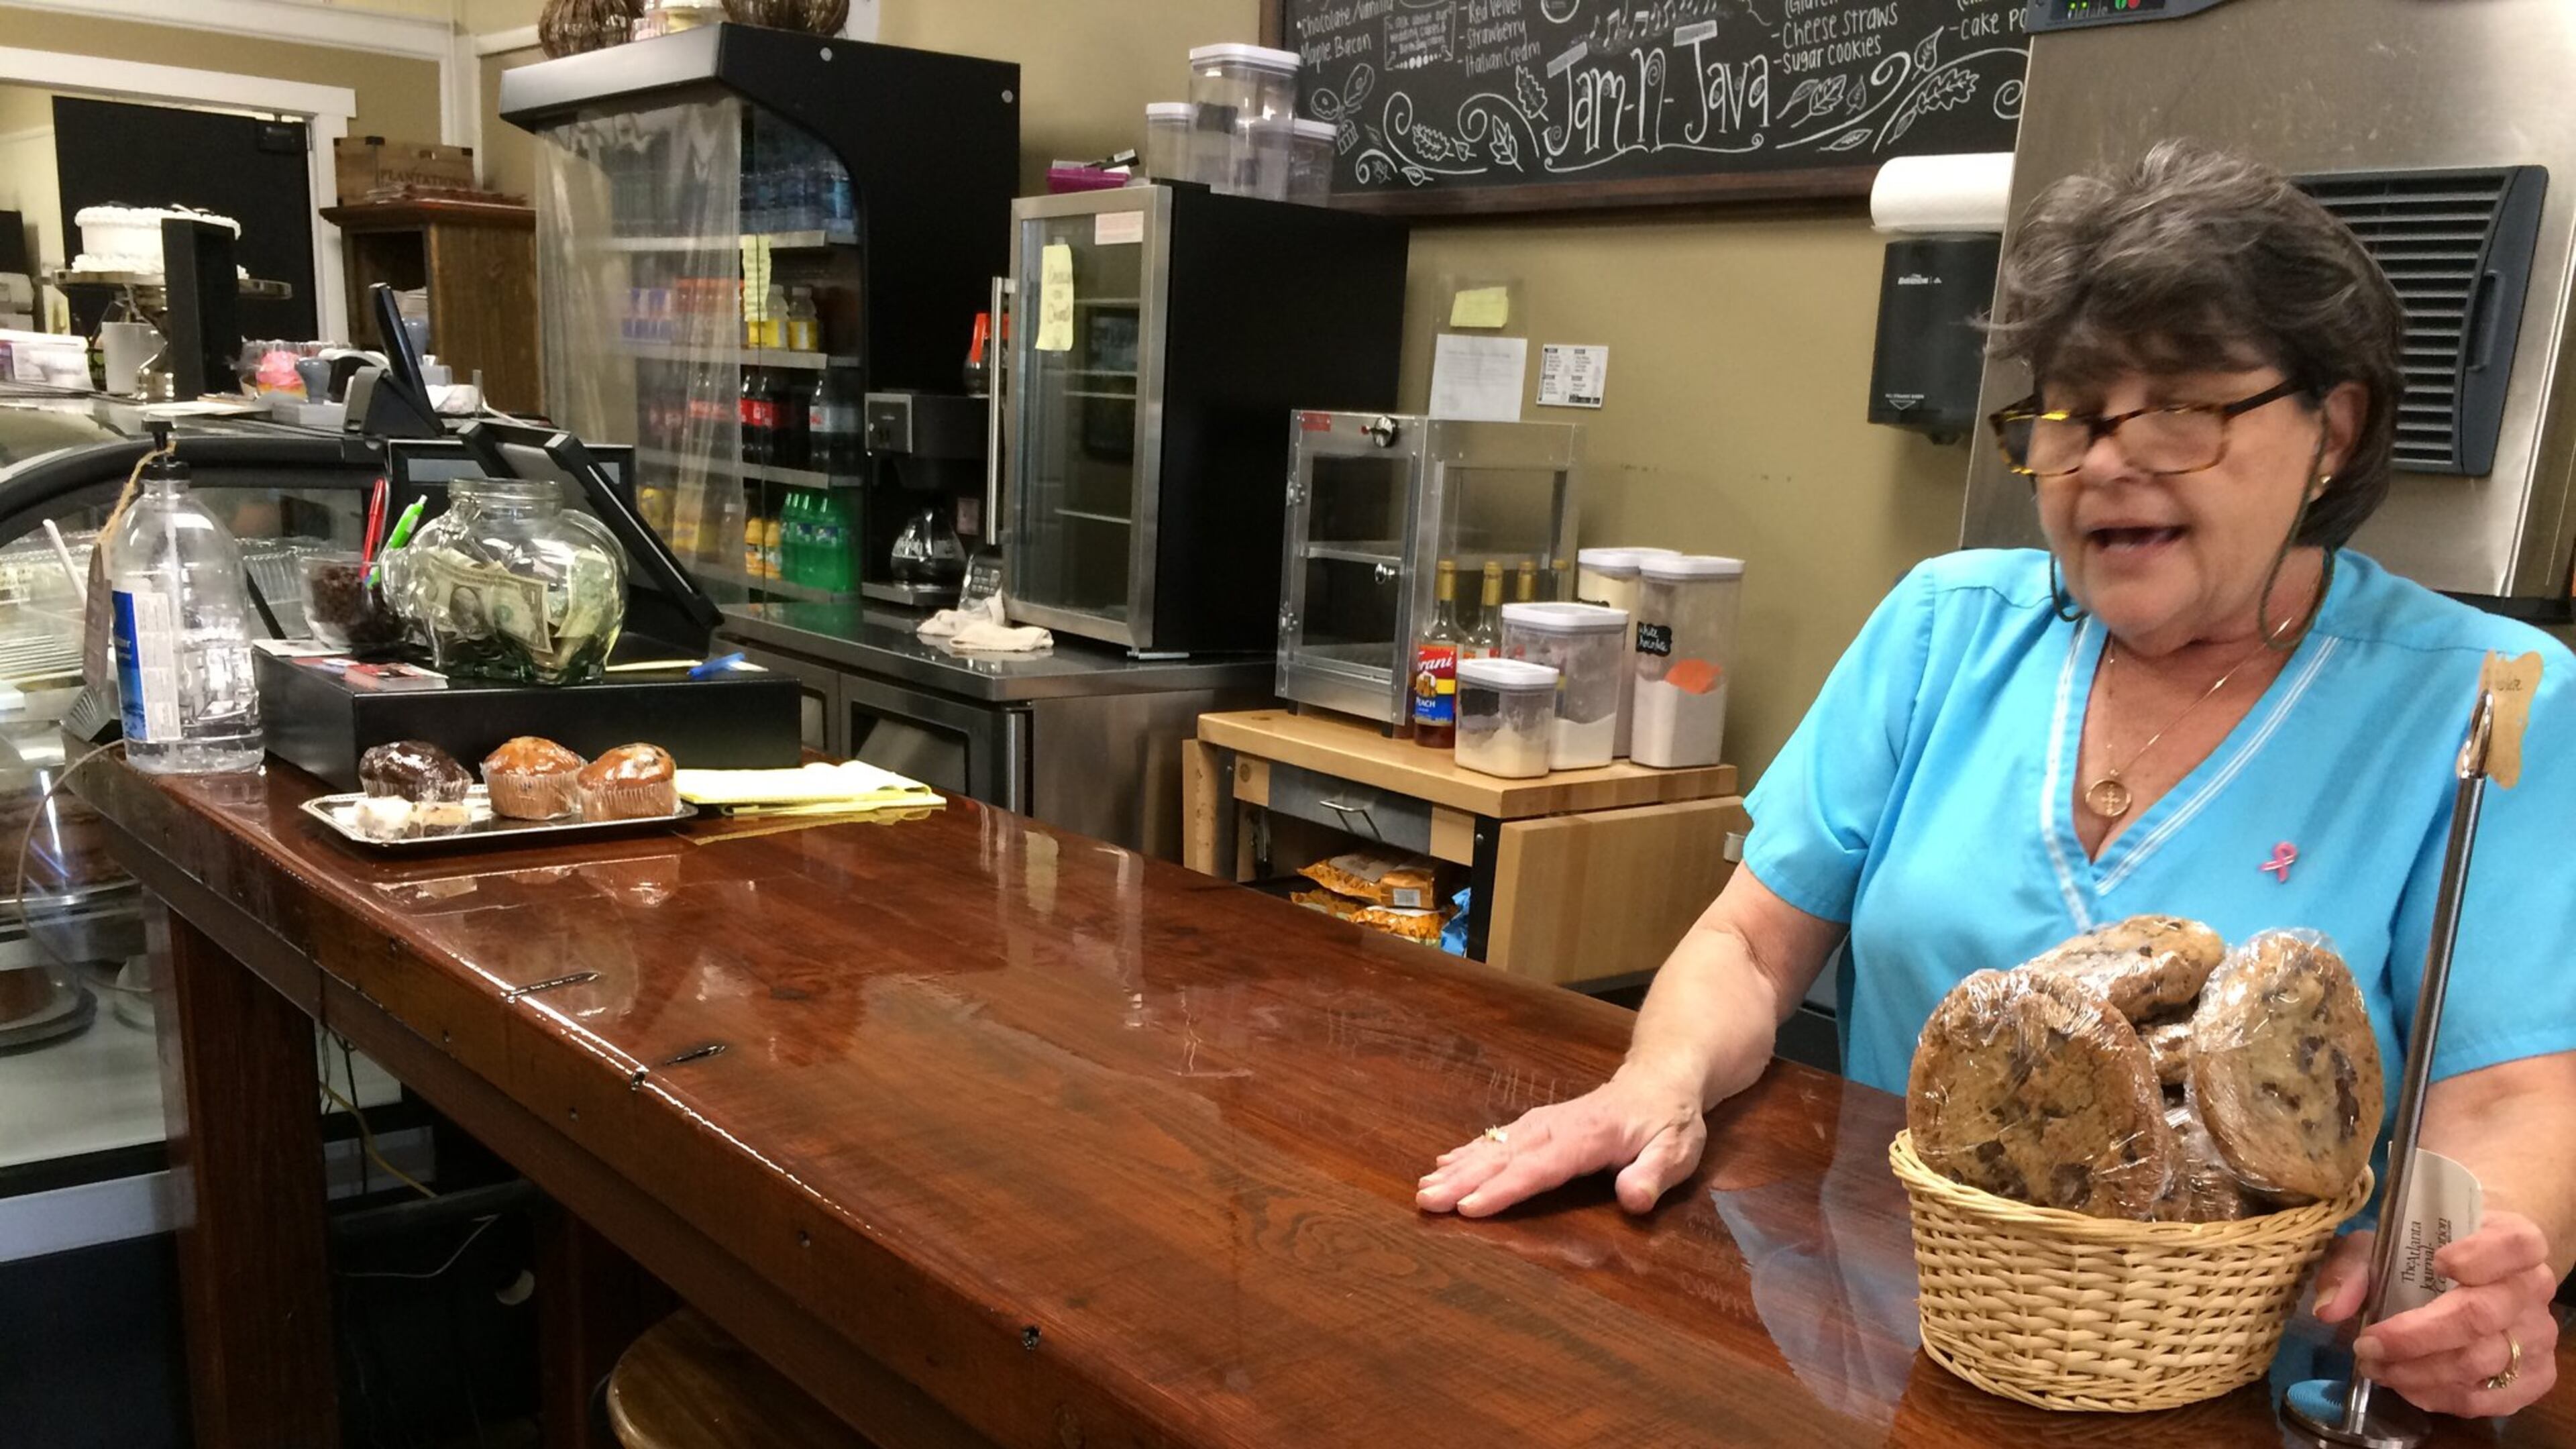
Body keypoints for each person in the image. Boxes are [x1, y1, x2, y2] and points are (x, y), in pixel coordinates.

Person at [1414, 140, 2576, 1419]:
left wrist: (2467, 1285)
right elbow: (1751, 945)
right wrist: (1658, 1086)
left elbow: (2514, 1091)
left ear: (2330, 428)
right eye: (2071, 411)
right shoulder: (1945, 627)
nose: (2103, 460)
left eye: (2183, 407)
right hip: (1892, 1335)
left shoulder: (2478, 698)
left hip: (2226, 1377)